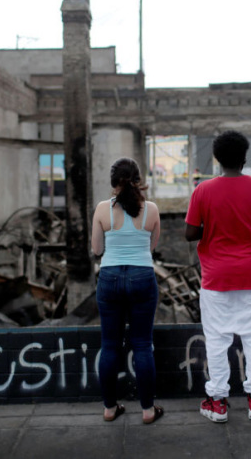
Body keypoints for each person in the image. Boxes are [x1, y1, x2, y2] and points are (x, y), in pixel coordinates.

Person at [185, 130, 251, 423]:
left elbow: (190, 233)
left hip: (216, 279)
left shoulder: (202, 190)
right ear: (245, 157)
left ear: (216, 158)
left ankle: (217, 402)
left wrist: (211, 225)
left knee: (217, 340)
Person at [91, 157, 164, 425]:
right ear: (138, 181)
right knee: (143, 345)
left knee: (110, 346)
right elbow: (152, 247)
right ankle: (147, 410)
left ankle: (110, 409)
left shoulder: (102, 209)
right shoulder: (152, 209)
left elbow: (97, 250)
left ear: (113, 183)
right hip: (142, 276)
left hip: (109, 277)